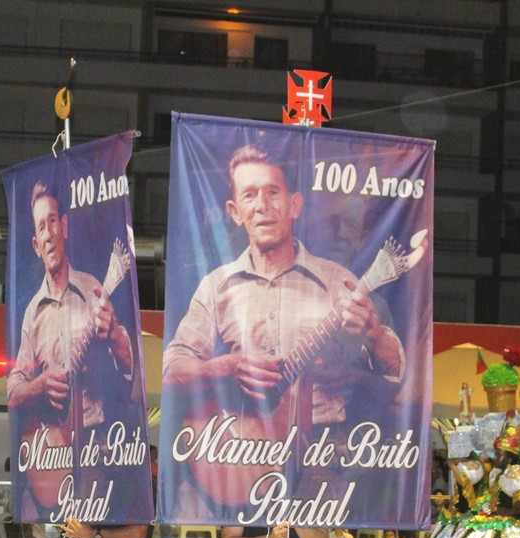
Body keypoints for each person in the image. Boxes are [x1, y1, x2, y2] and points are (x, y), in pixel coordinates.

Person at [162, 145, 405, 514]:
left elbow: (397, 370)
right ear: (235, 212)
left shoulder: (337, 282)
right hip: (241, 454)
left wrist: (373, 330)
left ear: (294, 204)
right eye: (249, 195)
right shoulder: (215, 287)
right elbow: (171, 368)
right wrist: (224, 366)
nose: (262, 206)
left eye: (273, 192)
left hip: (321, 461)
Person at [6, 182, 134, 513]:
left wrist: (114, 335)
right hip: (48, 449)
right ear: (36, 245)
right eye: (41, 227)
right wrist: (39, 385)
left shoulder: (93, 289)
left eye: (52, 221)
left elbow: (129, 367)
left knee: (89, 526)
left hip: (92, 447)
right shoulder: (32, 312)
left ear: (63, 227)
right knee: (28, 512)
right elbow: (13, 392)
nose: (49, 234)